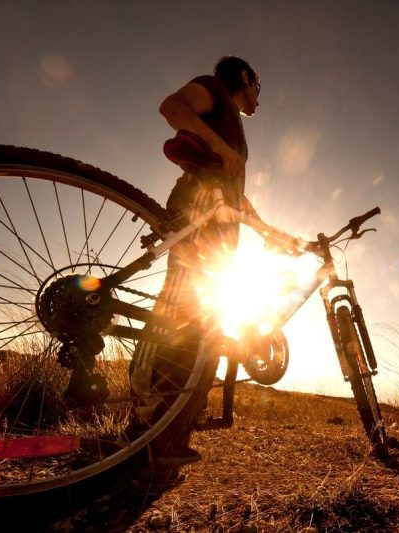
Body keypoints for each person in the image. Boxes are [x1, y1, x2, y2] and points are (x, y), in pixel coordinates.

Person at [127, 56, 262, 466]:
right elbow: (172, 107)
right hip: (196, 212)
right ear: (244, 78)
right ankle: (146, 422)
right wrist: (220, 146)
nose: (259, 98)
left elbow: (233, 187)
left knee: (204, 325)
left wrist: (264, 227)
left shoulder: (233, 125)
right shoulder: (214, 90)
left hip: (220, 228)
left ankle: (171, 431)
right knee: (180, 311)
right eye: (258, 86)